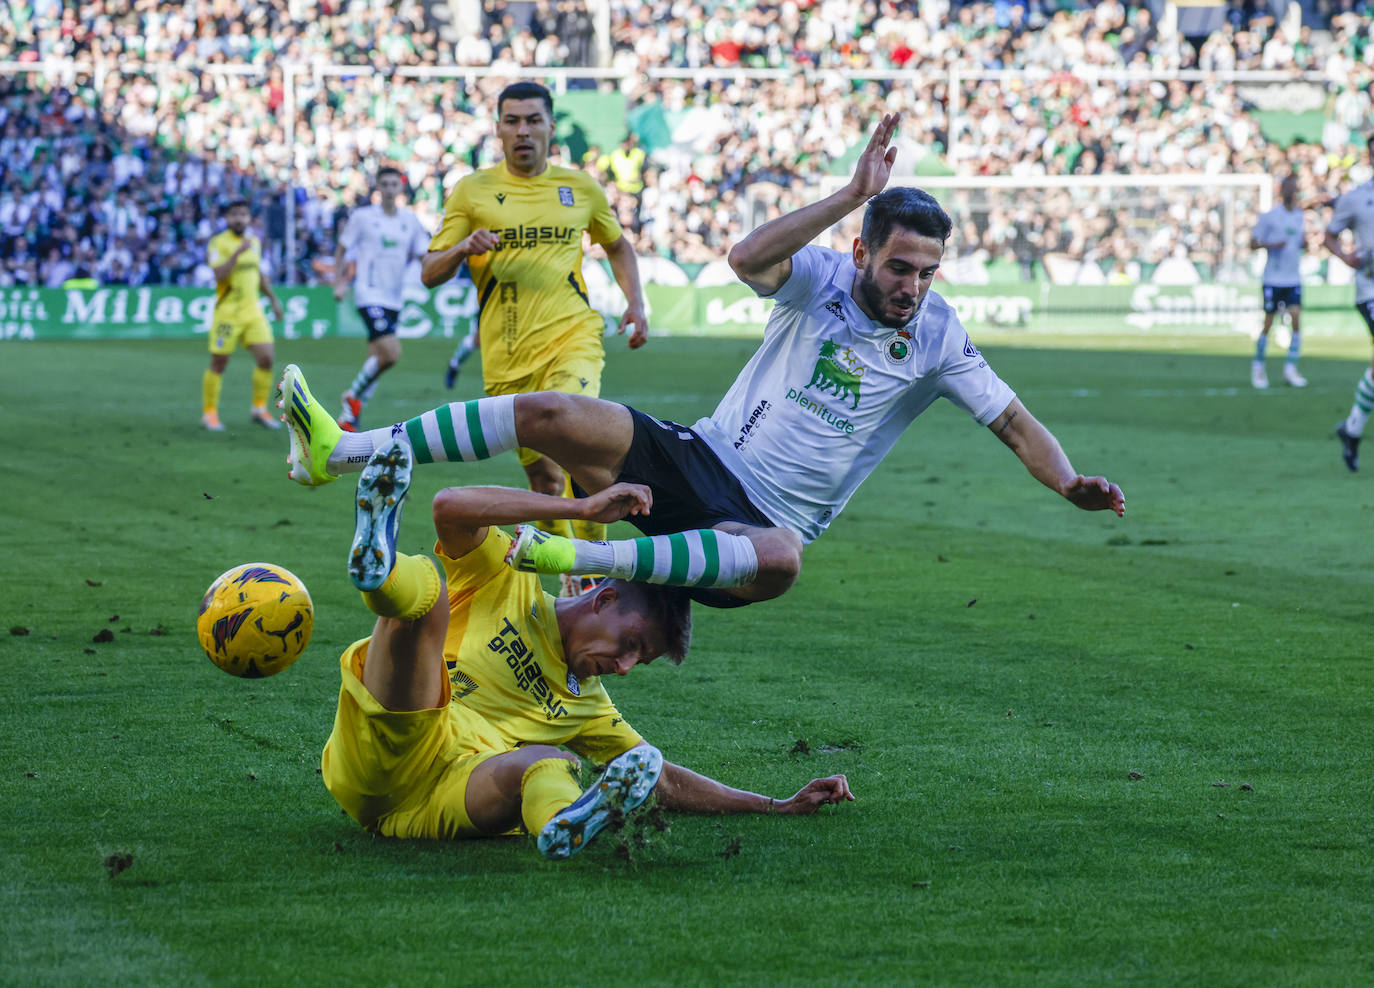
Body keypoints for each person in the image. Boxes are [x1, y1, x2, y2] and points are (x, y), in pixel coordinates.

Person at [279, 114, 1124, 609]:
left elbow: (1014, 423)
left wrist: (1069, 480)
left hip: (750, 527)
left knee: (786, 559)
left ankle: (578, 556)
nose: (912, 286)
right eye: (900, 266)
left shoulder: (938, 333)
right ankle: (341, 451)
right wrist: (847, 196)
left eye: (927, 273)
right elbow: (745, 258)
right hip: (700, 454)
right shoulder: (823, 273)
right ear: (863, 251)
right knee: (551, 412)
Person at [322, 434, 854, 859]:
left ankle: (559, 827)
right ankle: (380, 573)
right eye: (631, 645)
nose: (623, 668)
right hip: (391, 742)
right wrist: (580, 505)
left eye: (637, 662)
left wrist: (773, 806)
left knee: (547, 764)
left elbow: (659, 775)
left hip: (443, 804)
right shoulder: (508, 579)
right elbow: (451, 508)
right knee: (429, 591)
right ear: (604, 598)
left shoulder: (588, 704)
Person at [419, 81, 650, 589]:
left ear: (550, 127)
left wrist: (635, 301)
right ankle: (567, 569)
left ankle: (593, 571)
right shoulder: (471, 192)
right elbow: (429, 271)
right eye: (512, 121)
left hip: (574, 338)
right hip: (507, 357)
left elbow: (617, 245)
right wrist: (462, 250)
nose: (523, 130)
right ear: (498, 129)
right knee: (544, 477)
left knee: (578, 445)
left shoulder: (580, 188)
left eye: (533, 120)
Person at [333, 167, 431, 432]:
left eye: (393, 184)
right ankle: (351, 396)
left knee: (376, 358)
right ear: (377, 187)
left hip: (394, 298)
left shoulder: (410, 220)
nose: (389, 189)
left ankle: (349, 417)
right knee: (391, 352)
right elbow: (342, 248)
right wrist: (339, 281)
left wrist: (443, 268)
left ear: (400, 188)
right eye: (384, 184)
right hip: (368, 292)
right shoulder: (363, 217)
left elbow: (424, 255)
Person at [203, 199, 283, 432]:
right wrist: (237, 253)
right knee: (219, 363)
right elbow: (218, 274)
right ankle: (209, 413)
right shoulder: (219, 243)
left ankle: (259, 408)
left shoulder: (254, 242)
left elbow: (259, 274)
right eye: (235, 214)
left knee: (267, 359)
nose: (239, 219)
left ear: (249, 218)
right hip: (227, 313)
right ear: (227, 218)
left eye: (244, 215)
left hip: (253, 312)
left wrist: (273, 299)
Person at [1328, 134, 1374, 472]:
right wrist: (1345, 256)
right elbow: (1330, 235)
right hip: (1370, 290)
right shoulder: (1356, 198)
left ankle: (1352, 428)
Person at [1249, 175, 1307, 390]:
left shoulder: (1300, 216)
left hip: (1293, 278)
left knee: (1296, 319)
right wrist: (1271, 244)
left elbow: (1300, 242)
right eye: (1289, 188)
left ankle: (1291, 368)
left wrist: (1305, 244)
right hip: (1273, 279)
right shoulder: (1270, 217)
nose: (1292, 193)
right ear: (1281, 191)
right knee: (1268, 322)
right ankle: (1258, 366)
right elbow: (1253, 243)